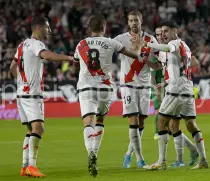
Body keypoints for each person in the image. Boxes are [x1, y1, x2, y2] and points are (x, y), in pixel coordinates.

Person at [73, 15, 141, 177]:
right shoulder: (111, 42)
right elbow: (134, 55)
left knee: (88, 121)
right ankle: (95, 151)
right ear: (104, 28)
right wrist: (138, 47)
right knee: (100, 120)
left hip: (86, 87)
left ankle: (91, 152)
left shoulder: (81, 44)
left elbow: (76, 64)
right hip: (105, 87)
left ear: (90, 29)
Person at [9, 17, 74, 177]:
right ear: (38, 28)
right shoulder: (37, 44)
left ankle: (24, 167)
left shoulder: (22, 45)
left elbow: (12, 67)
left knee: (31, 130)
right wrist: (69, 58)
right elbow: (47, 56)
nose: (49, 30)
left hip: (21, 93)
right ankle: (32, 165)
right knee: (39, 128)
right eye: (47, 27)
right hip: (32, 94)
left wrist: (21, 83)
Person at [143, 21, 208, 170]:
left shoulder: (175, 43)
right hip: (187, 90)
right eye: (161, 32)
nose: (163, 34)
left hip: (176, 91)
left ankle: (161, 161)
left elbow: (168, 47)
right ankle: (203, 160)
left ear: (174, 31)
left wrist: (149, 45)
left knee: (161, 122)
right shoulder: (184, 45)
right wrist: (165, 83)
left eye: (166, 31)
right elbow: (179, 69)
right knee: (191, 125)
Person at [114, 10, 160, 168]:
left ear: (141, 21)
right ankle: (140, 159)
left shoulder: (151, 40)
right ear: (128, 23)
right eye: (131, 20)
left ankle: (128, 153)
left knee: (141, 121)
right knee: (132, 119)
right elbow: (107, 49)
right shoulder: (120, 39)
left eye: (136, 20)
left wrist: (147, 60)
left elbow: (158, 64)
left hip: (145, 85)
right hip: (128, 84)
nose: (134, 23)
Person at [152, 24, 199, 167]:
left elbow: (194, 62)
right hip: (172, 86)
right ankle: (192, 152)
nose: (160, 36)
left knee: (171, 124)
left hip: (176, 88)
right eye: (158, 34)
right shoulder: (162, 51)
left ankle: (175, 160)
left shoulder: (169, 47)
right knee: (174, 125)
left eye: (163, 33)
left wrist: (182, 67)